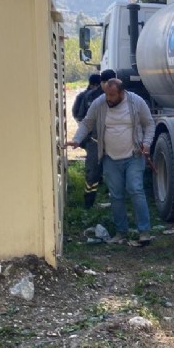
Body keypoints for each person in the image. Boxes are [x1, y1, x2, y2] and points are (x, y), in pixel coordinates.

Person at [66, 78, 155, 244]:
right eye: (107, 94)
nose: (108, 98)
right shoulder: (100, 103)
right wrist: (77, 140)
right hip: (110, 157)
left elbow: (149, 124)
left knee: (135, 189)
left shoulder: (136, 102)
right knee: (116, 195)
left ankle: (144, 232)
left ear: (122, 93)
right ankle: (121, 232)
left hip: (134, 156)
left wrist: (147, 144)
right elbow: (87, 123)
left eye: (112, 95)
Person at [72, 73, 102, 208]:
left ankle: (89, 202)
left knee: (92, 170)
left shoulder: (84, 96)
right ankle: (90, 201)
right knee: (95, 170)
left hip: (90, 139)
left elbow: (77, 115)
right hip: (93, 139)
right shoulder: (90, 97)